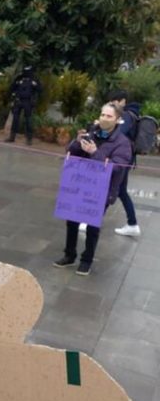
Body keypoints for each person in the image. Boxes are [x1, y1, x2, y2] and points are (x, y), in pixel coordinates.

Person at [53, 103, 132, 276]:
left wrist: (96, 153)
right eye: (102, 114)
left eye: (109, 116)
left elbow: (117, 167)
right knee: (72, 220)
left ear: (118, 120)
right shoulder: (91, 132)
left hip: (101, 190)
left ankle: (86, 260)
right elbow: (71, 152)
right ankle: (69, 254)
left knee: (92, 226)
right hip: (80, 185)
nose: (104, 118)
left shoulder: (122, 143)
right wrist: (78, 141)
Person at [109, 90, 141, 237]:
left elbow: (118, 133)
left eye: (115, 101)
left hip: (122, 158)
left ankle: (90, 220)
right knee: (120, 190)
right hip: (126, 158)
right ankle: (132, 224)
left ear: (122, 101)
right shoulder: (133, 113)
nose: (113, 104)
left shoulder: (127, 116)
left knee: (110, 188)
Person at [5, 65, 41, 145]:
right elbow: (12, 87)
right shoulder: (19, 78)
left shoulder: (34, 79)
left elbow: (40, 90)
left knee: (28, 120)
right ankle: (12, 137)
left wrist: (35, 86)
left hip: (28, 101)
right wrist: (11, 97)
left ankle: (29, 139)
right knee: (15, 119)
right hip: (18, 100)